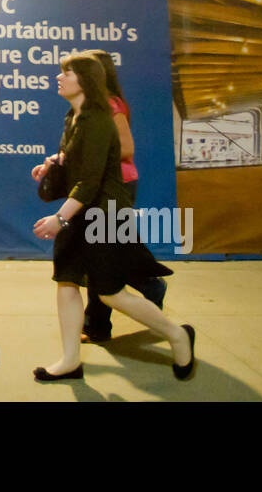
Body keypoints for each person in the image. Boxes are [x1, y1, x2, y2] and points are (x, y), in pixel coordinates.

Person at [30, 53, 191, 382]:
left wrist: (59, 219)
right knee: (66, 280)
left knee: (109, 292)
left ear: (85, 80)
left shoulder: (100, 118)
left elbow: (91, 182)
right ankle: (70, 360)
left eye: (67, 73)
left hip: (106, 213)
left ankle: (177, 334)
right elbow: (80, 159)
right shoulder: (72, 118)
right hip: (81, 211)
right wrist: (54, 162)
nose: (59, 78)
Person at [72, 49, 166, 344]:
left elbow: (126, 148)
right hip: (101, 187)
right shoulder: (90, 107)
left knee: (103, 256)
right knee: (105, 254)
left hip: (117, 187)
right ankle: (146, 288)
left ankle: (102, 322)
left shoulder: (111, 106)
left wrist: (95, 152)